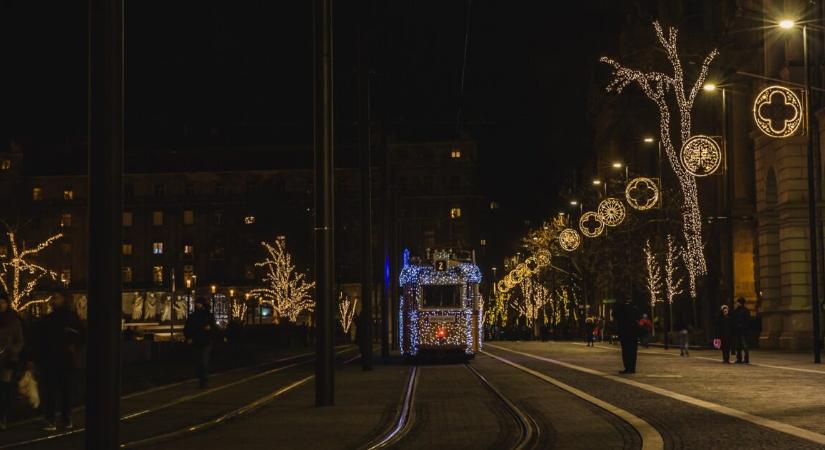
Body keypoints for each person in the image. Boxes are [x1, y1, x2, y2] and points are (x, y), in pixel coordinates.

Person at [39, 290, 84, 431]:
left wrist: (73, 343)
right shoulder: (51, 318)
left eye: (56, 298)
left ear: (64, 299)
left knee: (64, 390)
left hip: (63, 358)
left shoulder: (69, 317)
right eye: (53, 298)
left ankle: (63, 418)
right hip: (54, 358)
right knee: (53, 390)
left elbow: (81, 335)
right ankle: (54, 418)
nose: (53, 300)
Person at [0, 293, 23, 429]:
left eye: (2, 302)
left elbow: (19, 341)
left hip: (7, 360)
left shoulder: (13, 321)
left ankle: (3, 416)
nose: (0, 305)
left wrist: (12, 352)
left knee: (4, 389)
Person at [184, 297, 217, 388]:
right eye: (196, 303)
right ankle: (202, 380)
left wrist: (209, 329)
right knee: (199, 362)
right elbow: (187, 328)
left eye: (198, 303)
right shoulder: (193, 316)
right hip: (196, 341)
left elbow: (213, 328)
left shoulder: (207, 315)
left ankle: (204, 381)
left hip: (205, 341)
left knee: (204, 362)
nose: (196, 305)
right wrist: (188, 337)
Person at [613, 298, 641, 374]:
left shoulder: (620, 308)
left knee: (626, 350)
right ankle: (632, 368)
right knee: (633, 351)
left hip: (624, 331)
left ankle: (627, 367)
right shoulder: (634, 308)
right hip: (633, 332)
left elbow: (614, 315)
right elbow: (638, 317)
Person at [731, 297, 750, 364]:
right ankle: (739, 359)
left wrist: (742, 325)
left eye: (738, 302)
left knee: (744, 345)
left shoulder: (745, 310)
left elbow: (747, 321)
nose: (737, 303)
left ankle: (746, 359)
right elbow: (733, 319)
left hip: (743, 330)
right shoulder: (736, 310)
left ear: (741, 303)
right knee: (738, 346)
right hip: (737, 330)